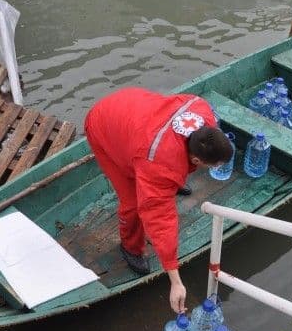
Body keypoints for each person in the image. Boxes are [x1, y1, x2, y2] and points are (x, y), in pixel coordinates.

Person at [84, 87, 234, 313]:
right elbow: (160, 219)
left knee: (161, 173)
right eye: (214, 165)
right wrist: (175, 280)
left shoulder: (203, 112)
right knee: (134, 202)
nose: (217, 169)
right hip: (104, 126)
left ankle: (168, 182)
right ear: (195, 159)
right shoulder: (158, 161)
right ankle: (130, 247)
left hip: (134, 111)